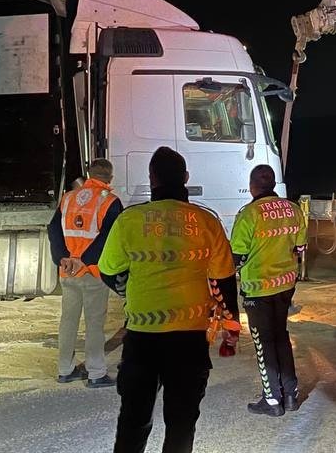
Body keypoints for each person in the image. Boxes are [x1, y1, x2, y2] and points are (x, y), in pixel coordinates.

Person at [98, 146, 240, 453]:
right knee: (181, 424)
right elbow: (224, 279)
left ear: (152, 179)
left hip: (142, 339)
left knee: (133, 421)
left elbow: (108, 271)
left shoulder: (129, 220)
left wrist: (128, 290)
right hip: (189, 339)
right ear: (186, 178)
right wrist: (232, 327)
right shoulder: (207, 222)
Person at [230, 165, 307, 417]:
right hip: (285, 286)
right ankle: (291, 395)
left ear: (252, 186)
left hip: (258, 289)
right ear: (273, 185)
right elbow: (300, 247)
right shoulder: (293, 210)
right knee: (280, 336)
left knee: (263, 342)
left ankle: (272, 399)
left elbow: (237, 256)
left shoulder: (249, 214)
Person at [50, 159, 122, 388]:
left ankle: (64, 370)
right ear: (110, 178)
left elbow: (53, 229)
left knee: (68, 321)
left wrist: (63, 258)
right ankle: (96, 372)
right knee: (94, 324)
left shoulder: (69, 197)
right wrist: (84, 260)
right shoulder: (110, 201)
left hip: (68, 272)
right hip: (92, 272)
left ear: (89, 175)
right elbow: (109, 237)